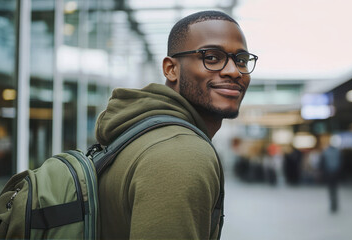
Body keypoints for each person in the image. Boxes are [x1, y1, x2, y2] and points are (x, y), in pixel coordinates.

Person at [95, 11, 257, 239]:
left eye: (240, 60)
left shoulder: (144, 133)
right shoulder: (182, 153)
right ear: (171, 69)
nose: (233, 71)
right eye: (211, 57)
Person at [321, 136, 342, 213]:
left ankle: (332, 205)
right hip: (335, 174)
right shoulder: (337, 152)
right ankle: (335, 205)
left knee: (330, 190)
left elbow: (322, 164)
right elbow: (340, 164)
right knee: (335, 190)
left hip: (329, 174)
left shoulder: (325, 152)